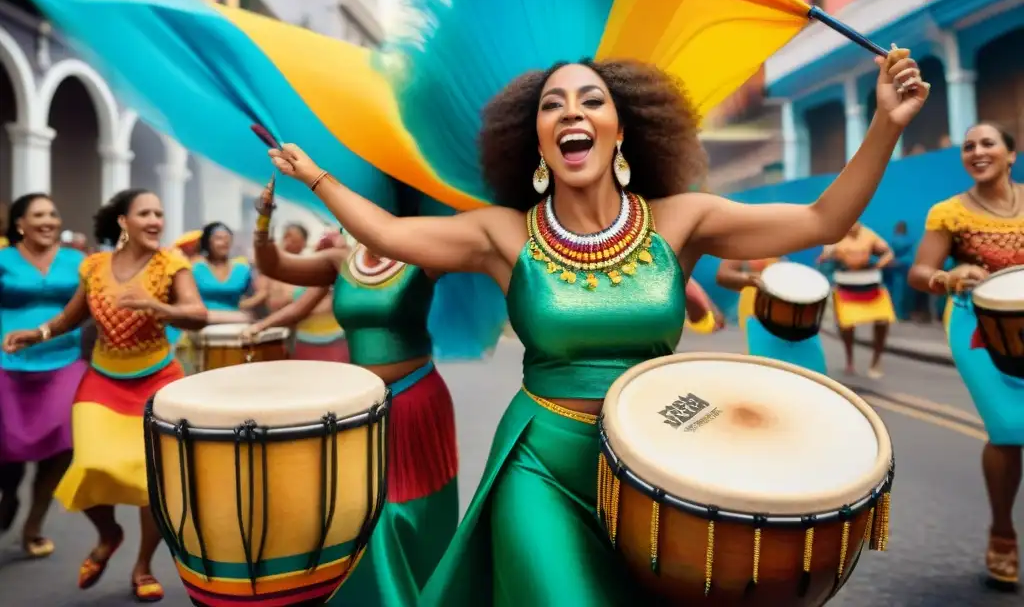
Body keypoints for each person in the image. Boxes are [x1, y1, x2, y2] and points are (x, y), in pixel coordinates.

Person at [267, 47, 928, 604]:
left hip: (664, 475)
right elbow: (386, 232)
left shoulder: (682, 219)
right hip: (543, 469)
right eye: (552, 105)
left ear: (621, 129)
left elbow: (821, 221)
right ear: (536, 141)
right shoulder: (502, 235)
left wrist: (886, 125)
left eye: (591, 100)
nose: (570, 112)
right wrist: (314, 175)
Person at [244, 174, 465, 607]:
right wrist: (263, 219)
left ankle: (421, 595)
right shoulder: (340, 261)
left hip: (417, 401)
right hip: (362, 408)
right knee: (363, 515)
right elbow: (273, 267)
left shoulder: (422, 255)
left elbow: (470, 242)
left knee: (413, 514)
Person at [2, 189, 207, 602]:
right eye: (145, 213)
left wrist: (158, 307)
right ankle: (108, 534)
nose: (155, 220)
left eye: (159, 213)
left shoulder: (172, 263)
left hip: (157, 381)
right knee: (91, 465)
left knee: (152, 484)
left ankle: (143, 566)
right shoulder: (94, 266)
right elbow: (69, 317)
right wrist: (36, 334)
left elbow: (198, 315)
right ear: (123, 222)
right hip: (103, 380)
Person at [909, 122, 1024, 590]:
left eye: (987, 143)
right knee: (1009, 429)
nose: (977, 151)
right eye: (968, 146)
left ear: (1010, 155)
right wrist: (949, 277)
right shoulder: (949, 213)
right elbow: (920, 272)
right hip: (974, 324)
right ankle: (1002, 532)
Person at [0, 193, 87, 558]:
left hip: (65, 362)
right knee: (9, 450)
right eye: (39, 214)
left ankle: (34, 521)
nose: (49, 220)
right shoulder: (2, 259)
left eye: (53, 213)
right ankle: (9, 498)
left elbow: (93, 306)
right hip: (8, 364)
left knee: (63, 443)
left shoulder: (78, 260)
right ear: (21, 222)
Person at [245, 229, 350, 362]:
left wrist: (261, 325)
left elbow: (298, 309)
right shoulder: (309, 273)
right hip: (305, 340)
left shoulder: (331, 273)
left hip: (329, 343)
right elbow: (285, 304)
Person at [715, 256, 828, 374]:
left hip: (799, 321)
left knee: (813, 376)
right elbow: (722, 275)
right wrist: (751, 279)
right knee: (768, 373)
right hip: (760, 316)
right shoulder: (748, 243)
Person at [818, 221, 896, 378]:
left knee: (883, 320)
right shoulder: (836, 235)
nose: (853, 225)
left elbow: (888, 253)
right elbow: (824, 257)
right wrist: (831, 254)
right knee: (846, 325)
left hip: (870, 280)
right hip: (846, 282)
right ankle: (850, 361)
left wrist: (880, 264)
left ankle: (876, 361)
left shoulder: (869, 234)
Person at [191, 221, 266, 318]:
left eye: (227, 238)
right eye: (219, 238)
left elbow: (259, 295)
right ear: (207, 242)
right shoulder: (195, 268)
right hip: (201, 323)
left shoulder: (242, 270)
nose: (224, 242)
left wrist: (238, 308)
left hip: (233, 323)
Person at [885, 220, 914, 320]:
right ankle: (899, 314)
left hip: (899, 271)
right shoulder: (909, 241)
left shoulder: (894, 241)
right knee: (901, 294)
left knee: (898, 294)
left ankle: (897, 314)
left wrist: (892, 262)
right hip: (901, 271)